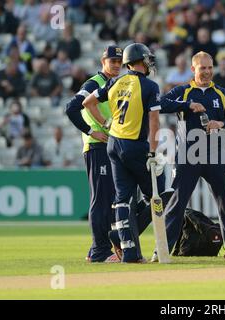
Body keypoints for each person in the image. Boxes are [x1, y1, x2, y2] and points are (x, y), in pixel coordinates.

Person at [83, 43, 166, 263]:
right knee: (162, 193)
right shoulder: (149, 86)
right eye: (147, 59)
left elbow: (87, 102)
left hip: (113, 145)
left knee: (122, 200)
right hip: (134, 145)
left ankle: (128, 251)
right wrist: (153, 152)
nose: (149, 63)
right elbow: (154, 121)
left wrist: (107, 124)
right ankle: (152, 247)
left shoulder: (114, 82)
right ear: (140, 61)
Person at [159, 51, 225, 260]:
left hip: (216, 154)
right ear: (193, 69)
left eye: (209, 67)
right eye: (202, 68)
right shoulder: (183, 91)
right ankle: (162, 250)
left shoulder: (222, 94)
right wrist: (186, 105)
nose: (207, 72)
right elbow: (159, 104)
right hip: (188, 155)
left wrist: (220, 124)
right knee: (176, 204)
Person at [65, 45, 123, 263]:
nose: (116, 65)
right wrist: (92, 131)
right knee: (101, 199)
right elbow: (71, 108)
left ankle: (97, 249)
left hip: (110, 147)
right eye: (112, 61)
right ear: (103, 61)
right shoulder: (94, 83)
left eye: (119, 61)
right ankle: (101, 250)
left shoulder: (116, 83)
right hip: (97, 147)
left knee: (109, 198)